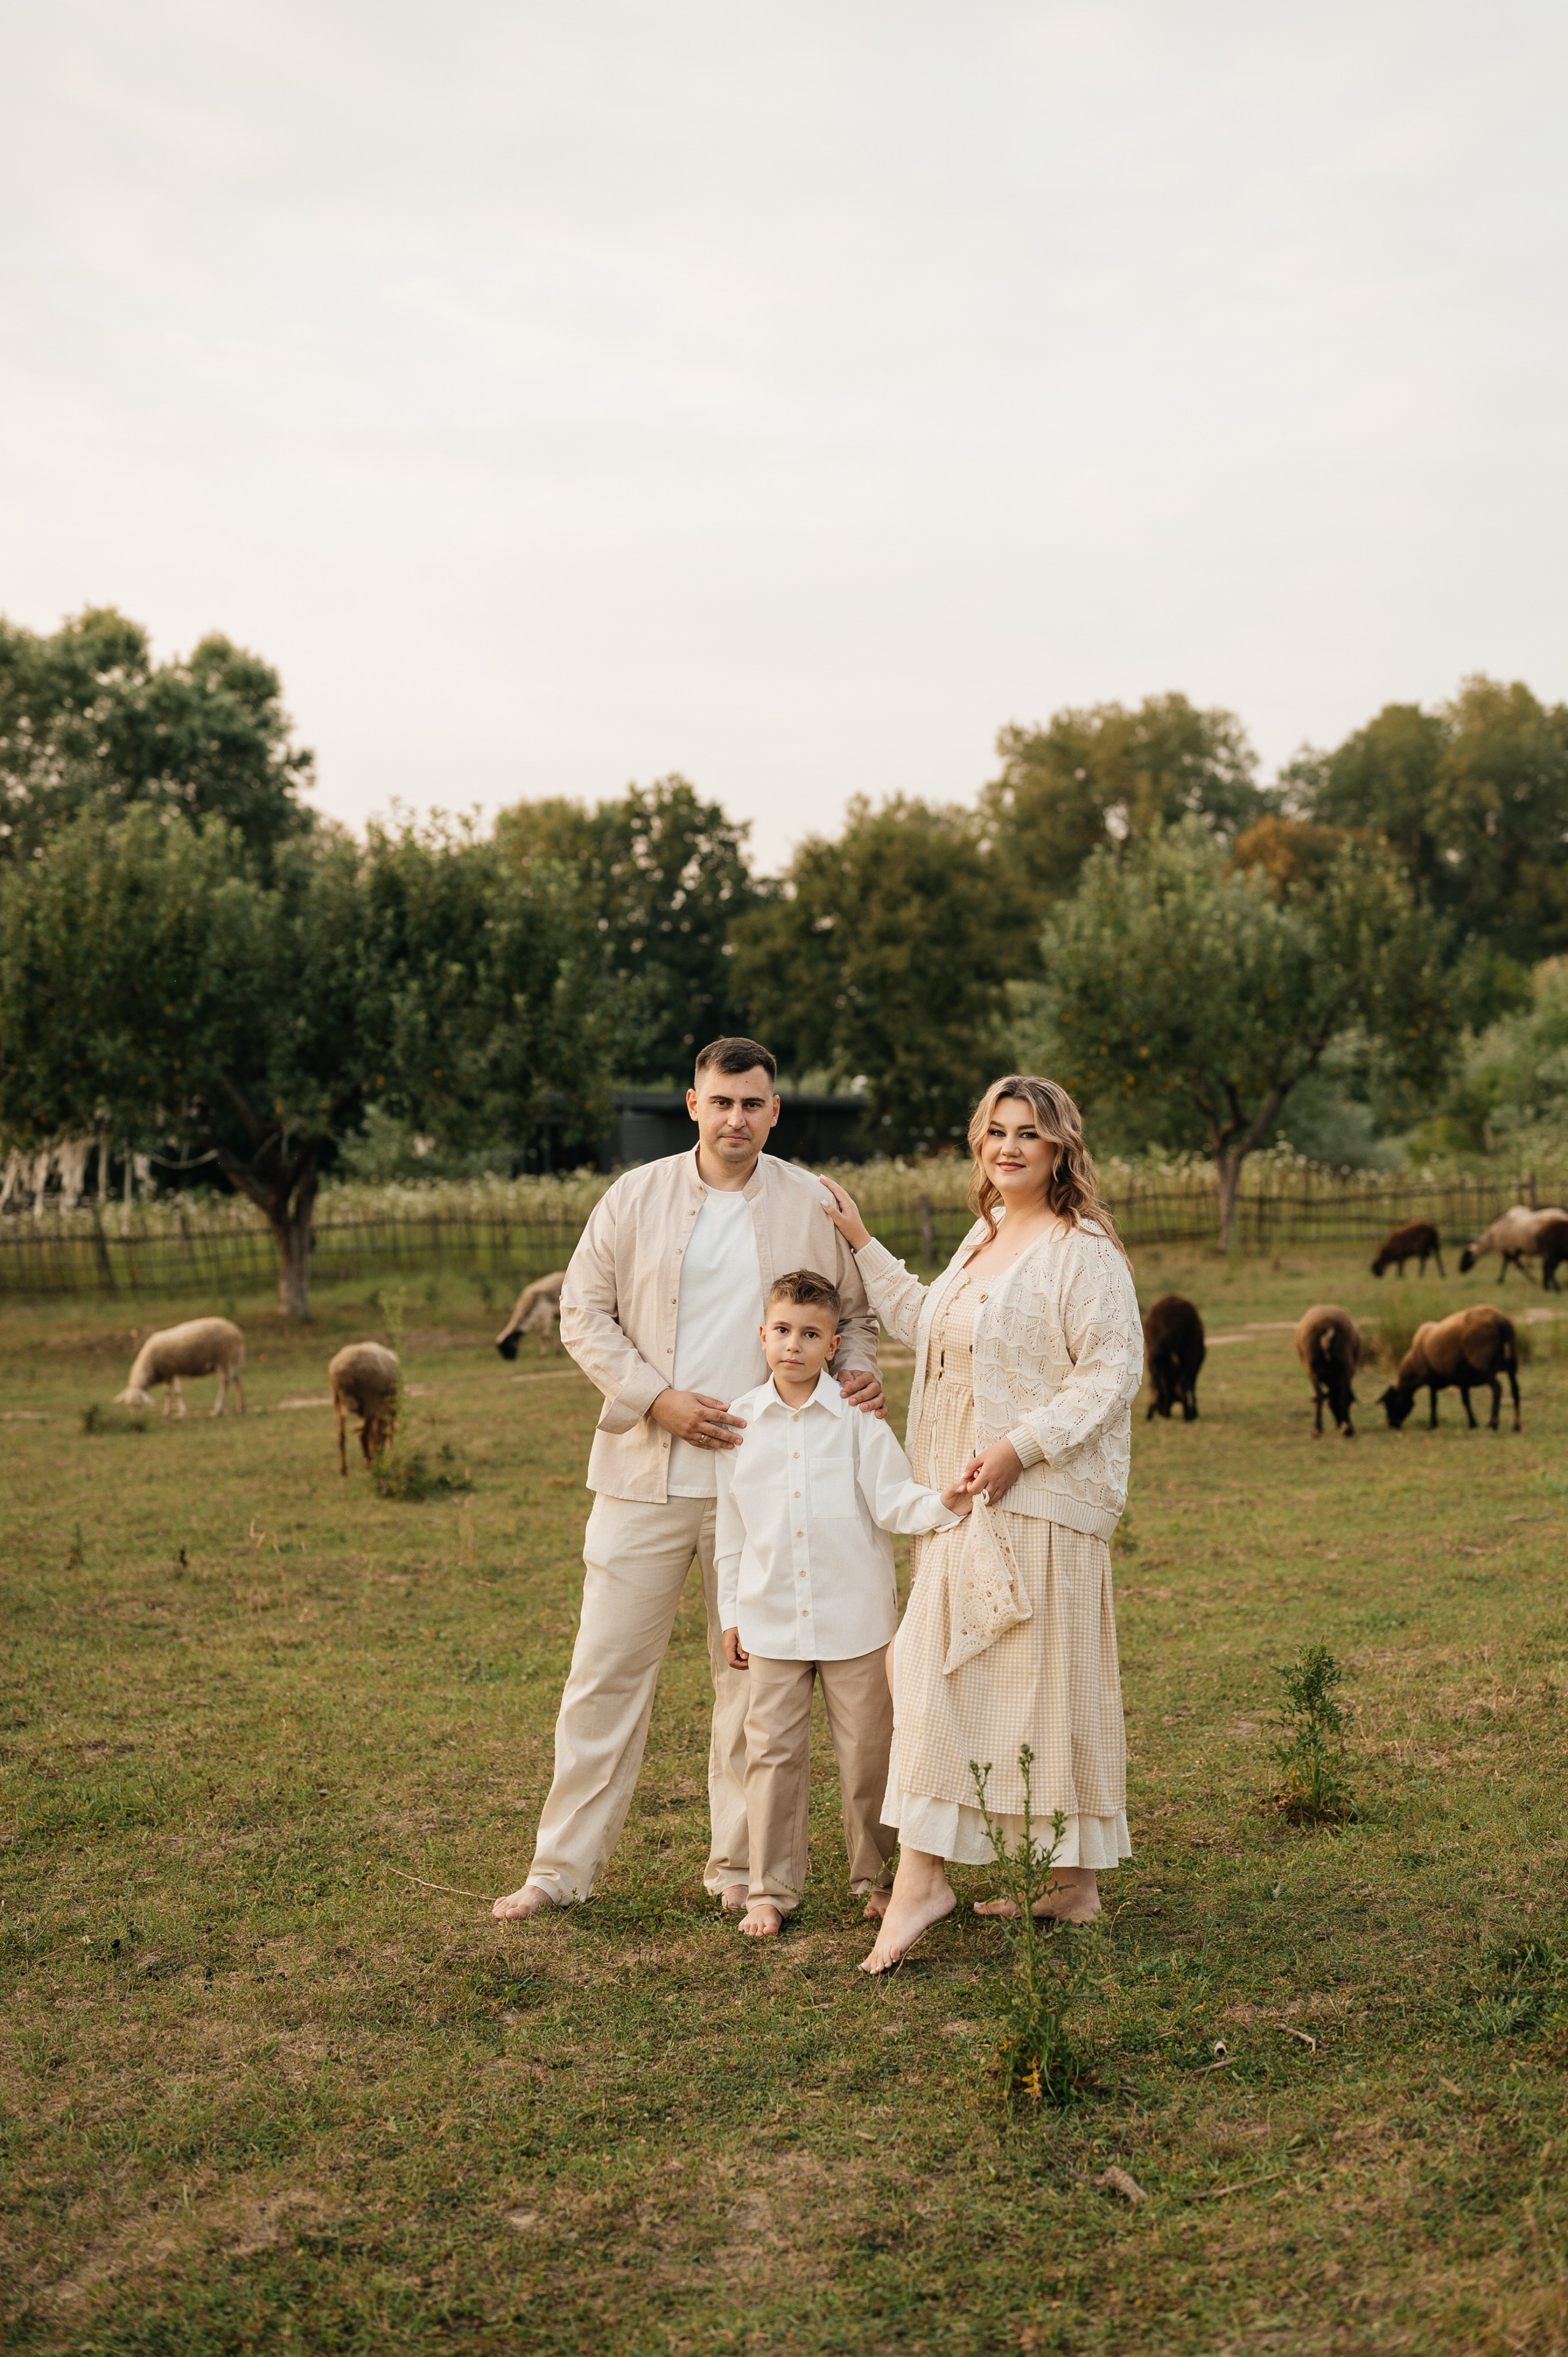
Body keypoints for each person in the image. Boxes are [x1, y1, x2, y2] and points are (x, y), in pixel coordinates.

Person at [492, 1038, 884, 1921]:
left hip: (770, 1487)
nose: (735, 1117)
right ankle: (559, 1869)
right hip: (645, 1473)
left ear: (774, 1111)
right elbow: (584, 1314)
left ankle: (739, 1866)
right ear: (692, 1104)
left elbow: (855, 1317)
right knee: (604, 1671)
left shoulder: (813, 1202)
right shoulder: (633, 1196)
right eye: (721, 1101)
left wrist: (856, 1369)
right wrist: (657, 1399)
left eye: (752, 1103)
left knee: (748, 1682)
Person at [817, 1074, 1142, 1975]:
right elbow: (929, 1325)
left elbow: (1112, 1371)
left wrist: (1019, 1449)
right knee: (1013, 1679)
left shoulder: (1083, 1250)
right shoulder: (986, 1233)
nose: (1008, 1147)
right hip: (962, 1493)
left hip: (1036, 1495)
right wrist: (862, 1242)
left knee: (951, 1668)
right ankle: (1074, 1881)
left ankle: (922, 1881)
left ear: (1059, 1147)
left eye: (1028, 1133)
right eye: (996, 1131)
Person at [717, 1269, 973, 1940]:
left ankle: (881, 1881)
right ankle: (769, 1889)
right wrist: (730, 1613)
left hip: (856, 1621)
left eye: (810, 1334)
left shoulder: (858, 1419)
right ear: (762, 1334)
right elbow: (731, 1529)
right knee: (772, 1758)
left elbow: (893, 1499)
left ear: (833, 1345)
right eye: (782, 1330)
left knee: (869, 1755)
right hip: (771, 1621)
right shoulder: (740, 1422)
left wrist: (944, 1503)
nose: (793, 1345)